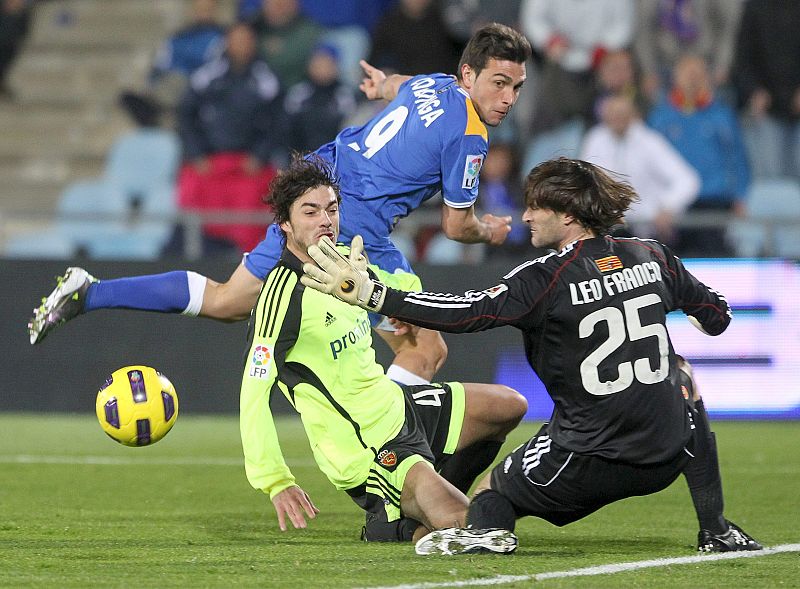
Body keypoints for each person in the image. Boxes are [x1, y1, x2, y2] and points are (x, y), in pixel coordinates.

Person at [300, 157, 763, 555]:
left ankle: (479, 536)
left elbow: (468, 312)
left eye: (536, 207)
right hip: (665, 454)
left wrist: (372, 294)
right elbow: (717, 316)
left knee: (487, 500)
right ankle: (716, 528)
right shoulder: (652, 254)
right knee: (681, 375)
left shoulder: (544, 277)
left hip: (587, 457)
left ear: (567, 215)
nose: (525, 217)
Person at [28, 23, 531, 387]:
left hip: (311, 187)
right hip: (352, 226)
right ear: (469, 74)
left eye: (516, 87)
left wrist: (382, 86)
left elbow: (400, 85)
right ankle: (388, 463)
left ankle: (90, 292)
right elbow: (454, 225)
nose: (507, 98)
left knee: (228, 302)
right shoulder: (470, 135)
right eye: (499, 83)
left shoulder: (433, 83)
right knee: (426, 348)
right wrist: (487, 229)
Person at [240, 155, 527, 543]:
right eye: (310, 212)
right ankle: (403, 508)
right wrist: (275, 480)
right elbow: (253, 393)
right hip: (366, 444)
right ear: (285, 225)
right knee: (474, 524)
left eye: (332, 209)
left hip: (397, 405)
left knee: (508, 405)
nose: (325, 220)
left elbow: (382, 297)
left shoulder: (347, 265)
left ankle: (414, 513)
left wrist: (393, 312)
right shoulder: (281, 295)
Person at [175, 21, 282, 253]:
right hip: (210, 162)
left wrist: (259, 156)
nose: (241, 45)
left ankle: (249, 260)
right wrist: (196, 154)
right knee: (189, 192)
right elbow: (186, 116)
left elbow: (277, 123)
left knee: (264, 198)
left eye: (246, 40)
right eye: (236, 40)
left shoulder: (266, 80)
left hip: (248, 165)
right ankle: (199, 253)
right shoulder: (206, 76)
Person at [648, 54, 750, 257]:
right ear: (675, 78)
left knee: (715, 260)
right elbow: (647, 163)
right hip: (673, 204)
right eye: (687, 73)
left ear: (708, 78)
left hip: (713, 201)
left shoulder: (722, 115)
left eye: (698, 73)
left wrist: (740, 196)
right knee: (670, 264)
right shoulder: (660, 117)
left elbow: (738, 158)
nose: (693, 78)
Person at [580, 93, 699, 244]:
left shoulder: (649, 141)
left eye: (622, 114)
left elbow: (688, 180)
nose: (618, 118)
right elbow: (585, 183)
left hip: (647, 231)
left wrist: (668, 207)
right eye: (613, 114)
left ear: (633, 115)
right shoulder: (595, 140)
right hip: (607, 231)